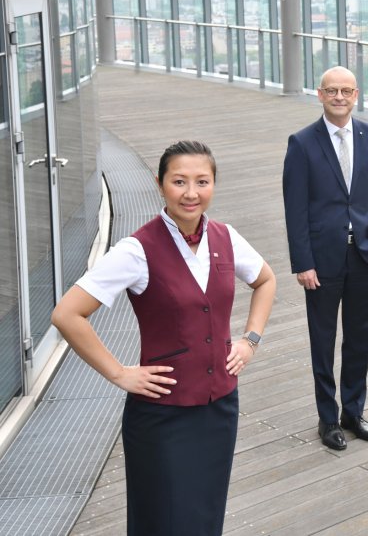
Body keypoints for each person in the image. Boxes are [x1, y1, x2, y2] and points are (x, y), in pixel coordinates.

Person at [51, 141, 276, 536]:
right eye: (179, 181)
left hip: (219, 409)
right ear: (160, 185)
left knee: (205, 516)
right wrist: (119, 373)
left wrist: (250, 340)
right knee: (163, 520)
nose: (191, 193)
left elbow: (266, 280)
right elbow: (67, 314)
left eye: (202, 181)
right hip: (162, 415)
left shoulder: (226, 237)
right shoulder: (137, 250)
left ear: (214, 184)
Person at [282, 66, 368, 451]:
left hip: (365, 255)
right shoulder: (302, 143)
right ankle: (328, 419)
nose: (339, 97)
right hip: (321, 261)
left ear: (356, 95)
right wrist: (303, 262)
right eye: (332, 91)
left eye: (346, 91)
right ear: (320, 94)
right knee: (323, 341)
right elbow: (295, 209)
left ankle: (353, 412)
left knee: (361, 337)